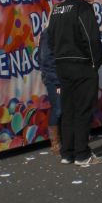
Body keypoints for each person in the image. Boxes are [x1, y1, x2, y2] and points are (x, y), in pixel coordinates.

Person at [45, 0, 102, 166]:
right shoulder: (83, 8)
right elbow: (91, 38)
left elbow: (50, 38)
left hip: (62, 65)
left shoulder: (57, 10)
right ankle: (82, 154)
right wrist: (96, 62)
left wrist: (59, 58)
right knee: (83, 109)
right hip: (82, 65)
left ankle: (67, 152)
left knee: (68, 109)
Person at [38, 23, 62, 157]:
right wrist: (58, 82)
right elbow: (46, 61)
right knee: (58, 109)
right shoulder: (48, 33)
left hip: (63, 77)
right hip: (54, 78)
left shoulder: (65, 31)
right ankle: (55, 143)